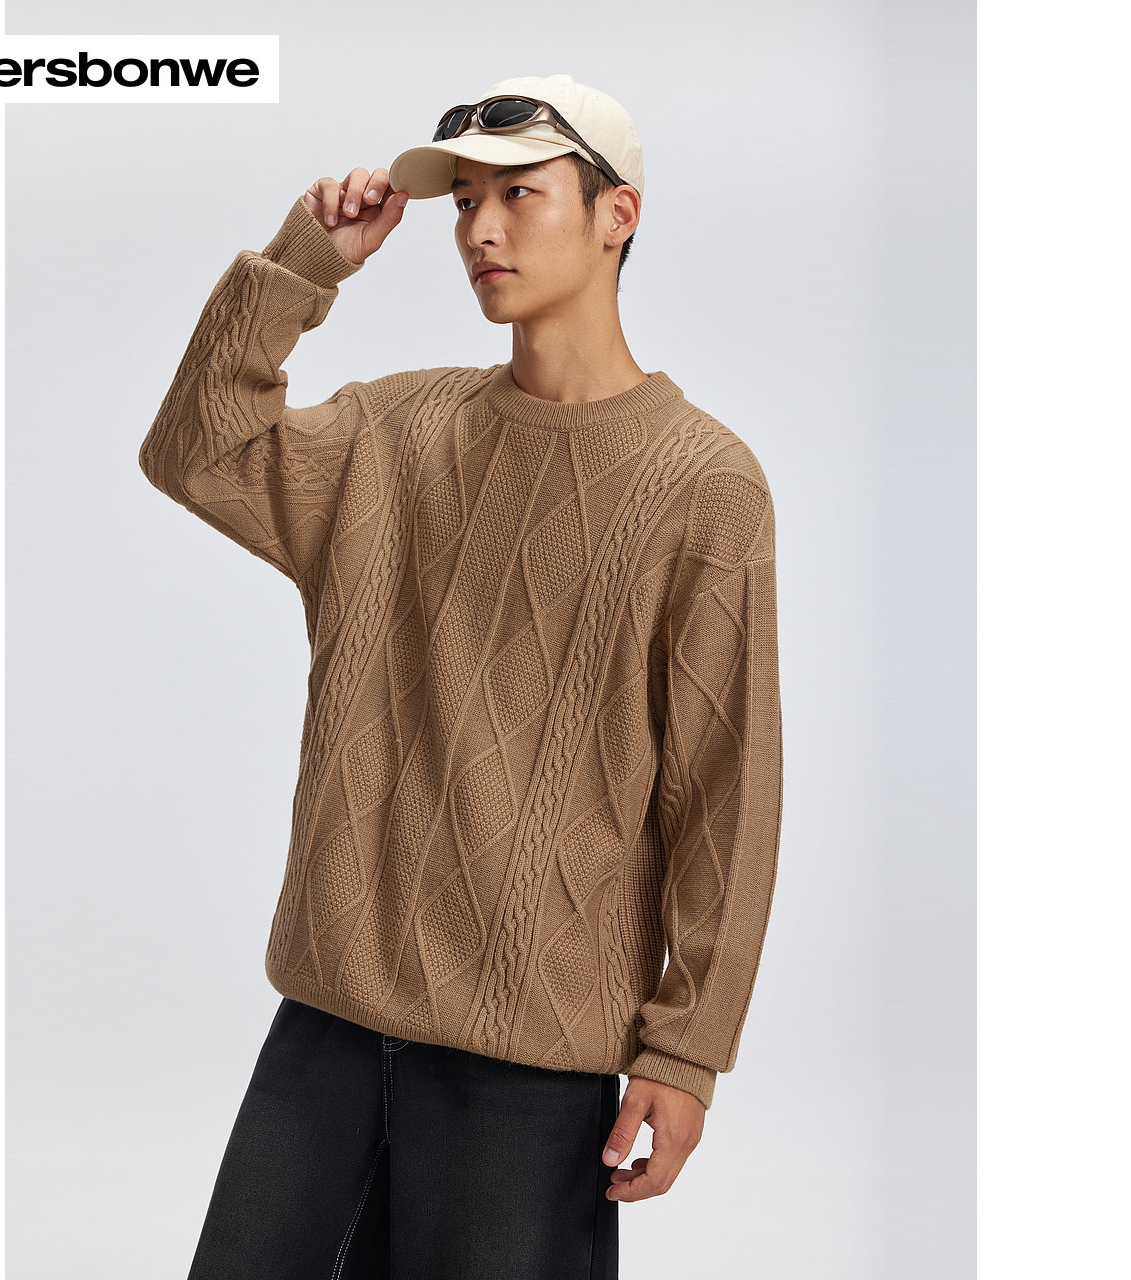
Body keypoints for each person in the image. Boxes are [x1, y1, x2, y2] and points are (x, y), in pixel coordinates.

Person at [138, 72, 785, 1279]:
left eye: (518, 194)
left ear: (616, 214)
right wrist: (302, 266)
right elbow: (193, 449)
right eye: (465, 201)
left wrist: (684, 1050)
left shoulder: (703, 484)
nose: (480, 229)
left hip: (527, 1066)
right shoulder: (393, 434)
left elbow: (722, 791)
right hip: (325, 1030)